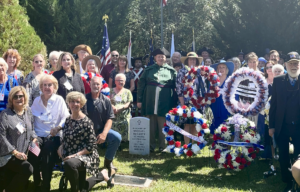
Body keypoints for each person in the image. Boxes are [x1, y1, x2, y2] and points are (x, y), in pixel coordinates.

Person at [58, 91, 113, 192]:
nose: (74, 104)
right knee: (83, 188)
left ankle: (75, 190)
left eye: (77, 102)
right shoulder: (67, 120)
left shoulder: (86, 122)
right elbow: (65, 138)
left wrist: (75, 155)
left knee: (69, 164)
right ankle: (102, 175)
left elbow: (91, 146)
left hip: (86, 155)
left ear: (82, 104)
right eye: (72, 101)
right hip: (71, 154)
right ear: (68, 103)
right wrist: (61, 147)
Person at [29, 74, 70, 192]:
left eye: (49, 85)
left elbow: (65, 117)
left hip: (53, 136)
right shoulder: (37, 100)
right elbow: (31, 118)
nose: (47, 87)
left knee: (47, 152)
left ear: (54, 87)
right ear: (41, 87)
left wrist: (58, 127)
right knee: (33, 152)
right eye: (44, 85)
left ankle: (45, 185)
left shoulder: (59, 100)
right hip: (38, 136)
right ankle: (37, 181)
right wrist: (33, 136)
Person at [269, 54, 300, 192]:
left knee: (299, 155)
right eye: (291, 63)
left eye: (296, 63)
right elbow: (273, 105)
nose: (294, 66)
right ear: (286, 65)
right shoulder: (278, 80)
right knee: (283, 156)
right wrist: (271, 126)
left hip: (299, 126)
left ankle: (298, 181)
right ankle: (288, 182)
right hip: (282, 125)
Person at [137, 48, 177, 152]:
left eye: (162, 56)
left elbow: (176, 87)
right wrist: (139, 100)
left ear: (165, 58)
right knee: (150, 123)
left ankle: (162, 146)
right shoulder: (148, 70)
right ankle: (151, 145)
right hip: (149, 99)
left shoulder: (171, 71)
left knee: (163, 123)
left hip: (165, 100)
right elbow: (141, 85)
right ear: (155, 58)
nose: (160, 58)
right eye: (158, 56)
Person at [85, 76, 121, 189]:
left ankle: (107, 162)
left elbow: (110, 118)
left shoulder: (106, 100)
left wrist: (104, 133)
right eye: (94, 84)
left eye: (98, 84)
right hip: (86, 132)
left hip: (101, 130)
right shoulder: (84, 100)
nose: (96, 86)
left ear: (101, 86)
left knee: (116, 137)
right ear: (90, 85)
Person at [0, 86, 38, 192]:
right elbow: (1, 136)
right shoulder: (5, 114)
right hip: (8, 155)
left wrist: (34, 139)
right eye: (15, 97)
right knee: (27, 168)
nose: (18, 99)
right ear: (11, 99)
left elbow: (32, 130)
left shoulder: (28, 112)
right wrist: (15, 152)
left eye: (20, 96)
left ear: (25, 97)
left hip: (24, 153)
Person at [176, 52, 203, 144]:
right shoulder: (182, 72)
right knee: (187, 124)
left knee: (196, 123)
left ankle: (194, 145)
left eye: (194, 59)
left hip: (197, 102)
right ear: (187, 61)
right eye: (190, 59)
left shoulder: (200, 72)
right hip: (185, 101)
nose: (192, 61)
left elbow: (202, 88)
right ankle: (187, 145)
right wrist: (183, 104)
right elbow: (179, 89)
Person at [237, 52, 264, 126]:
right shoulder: (243, 75)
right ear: (247, 63)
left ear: (257, 62)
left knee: (256, 129)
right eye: (250, 62)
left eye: (254, 62)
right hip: (244, 105)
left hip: (257, 107)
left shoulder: (262, 76)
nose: (252, 64)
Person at [210, 61, 234, 133]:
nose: (221, 69)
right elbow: (209, 92)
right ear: (217, 70)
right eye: (219, 67)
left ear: (226, 69)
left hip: (226, 106)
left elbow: (235, 94)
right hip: (215, 104)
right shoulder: (214, 80)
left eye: (223, 67)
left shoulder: (230, 80)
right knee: (215, 124)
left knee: (226, 124)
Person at [110, 74, 133, 142]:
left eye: (122, 80)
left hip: (124, 116)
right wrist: (113, 107)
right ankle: (114, 139)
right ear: (115, 82)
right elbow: (107, 101)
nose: (120, 82)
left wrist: (121, 108)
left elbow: (129, 102)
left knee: (126, 122)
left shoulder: (128, 92)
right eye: (118, 80)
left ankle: (125, 140)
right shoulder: (110, 91)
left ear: (125, 82)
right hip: (113, 115)